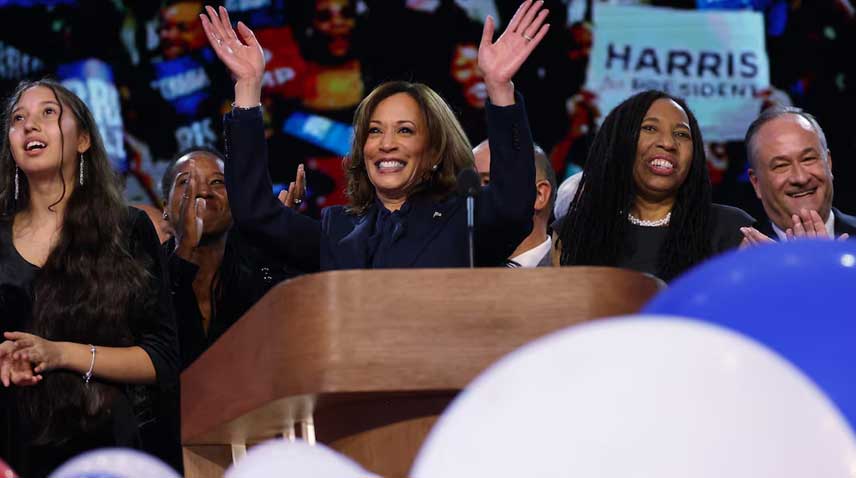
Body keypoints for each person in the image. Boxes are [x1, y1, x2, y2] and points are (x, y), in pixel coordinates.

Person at [198, 0, 549, 269]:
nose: (386, 144)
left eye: (405, 130)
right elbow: (257, 215)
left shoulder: (466, 221)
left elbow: (514, 205)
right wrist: (247, 90)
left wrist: (500, 90)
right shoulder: (336, 230)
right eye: (375, 131)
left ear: (434, 151)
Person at [0, 80, 180, 476]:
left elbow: (161, 358)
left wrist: (60, 353)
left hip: (108, 453)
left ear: (83, 139)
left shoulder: (127, 230)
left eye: (48, 112)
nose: (30, 125)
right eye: (18, 118)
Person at [556, 90, 754, 282]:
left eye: (681, 134)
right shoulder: (572, 234)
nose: (668, 143)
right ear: (620, 141)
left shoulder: (732, 231)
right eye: (650, 128)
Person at [160, 147, 304, 369]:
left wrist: (280, 252)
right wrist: (185, 250)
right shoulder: (144, 270)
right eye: (186, 182)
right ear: (165, 208)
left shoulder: (259, 266)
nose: (203, 192)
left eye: (217, 182)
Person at [739, 106, 856, 245]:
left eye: (808, 159)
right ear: (756, 182)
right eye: (781, 165)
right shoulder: (738, 257)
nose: (800, 178)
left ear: (828, 163)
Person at [473, 140, 556, 267]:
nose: (473, 195)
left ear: (539, 194)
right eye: (469, 184)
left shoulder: (574, 269)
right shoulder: (454, 269)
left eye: (487, 182)